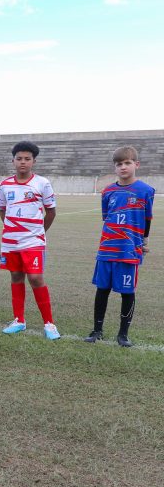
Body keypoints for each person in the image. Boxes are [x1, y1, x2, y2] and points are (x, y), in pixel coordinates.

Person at [85, 146, 155, 347]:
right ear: (114, 167)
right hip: (107, 248)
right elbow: (106, 219)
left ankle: (123, 334)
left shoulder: (145, 191)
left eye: (127, 163)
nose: (123, 167)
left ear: (136, 164)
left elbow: (147, 219)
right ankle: (97, 329)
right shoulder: (108, 191)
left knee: (127, 292)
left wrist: (144, 242)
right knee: (102, 289)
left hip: (129, 250)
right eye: (119, 164)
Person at [0, 141, 60, 340]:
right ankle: (19, 320)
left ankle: (49, 324)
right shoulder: (5, 184)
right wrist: (12, 229)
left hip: (33, 240)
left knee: (35, 278)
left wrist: (39, 232)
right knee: (16, 277)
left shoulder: (42, 183)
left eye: (27, 159)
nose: (23, 162)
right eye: (19, 159)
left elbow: (51, 212)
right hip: (10, 240)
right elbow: (2, 210)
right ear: (13, 160)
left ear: (34, 161)